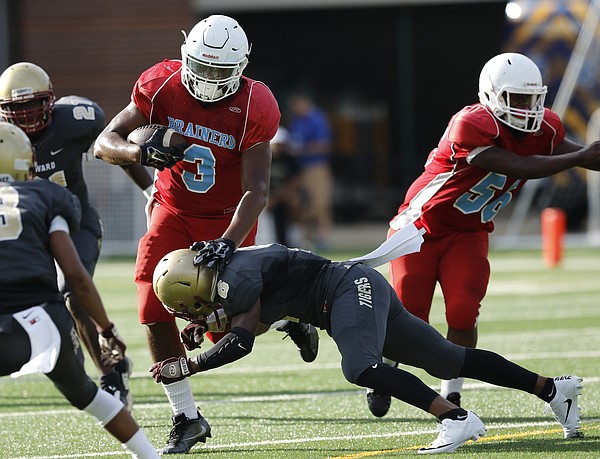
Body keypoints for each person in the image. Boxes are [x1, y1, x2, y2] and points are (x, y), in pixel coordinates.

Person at [93, 14, 318, 454]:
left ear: (242, 67)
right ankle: (186, 416)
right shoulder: (161, 84)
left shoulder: (256, 104)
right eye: (204, 67)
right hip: (173, 209)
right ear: (185, 57)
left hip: (228, 217)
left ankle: (289, 315)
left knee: (224, 328)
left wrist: (229, 240)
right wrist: (140, 151)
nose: (210, 78)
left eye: (221, 71)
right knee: (151, 302)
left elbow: (257, 189)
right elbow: (105, 142)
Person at [148, 244, 584, 455]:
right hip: (354, 290)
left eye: (189, 308)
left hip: (345, 292)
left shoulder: (236, 279)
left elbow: (242, 341)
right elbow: (255, 320)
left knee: (360, 367)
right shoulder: (232, 271)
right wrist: (212, 324)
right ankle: (552, 389)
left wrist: (186, 366)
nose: (193, 314)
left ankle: (456, 419)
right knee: (449, 359)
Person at [367, 52, 600, 417]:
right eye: (517, 99)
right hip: (420, 228)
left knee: (463, 312)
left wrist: (587, 155)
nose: (527, 108)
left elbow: (581, 155)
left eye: (532, 99)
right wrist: (580, 156)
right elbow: (522, 165)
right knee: (408, 320)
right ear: (491, 96)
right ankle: (385, 368)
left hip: (470, 231)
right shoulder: (471, 124)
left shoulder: (545, 128)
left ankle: (453, 392)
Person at [0, 62, 154, 411]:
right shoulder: (3, 139)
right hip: (26, 234)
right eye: (16, 108)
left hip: (75, 221)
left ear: (51, 102)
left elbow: (114, 146)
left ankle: (111, 375)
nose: (25, 116)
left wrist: (149, 190)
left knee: (72, 293)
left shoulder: (75, 120)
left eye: (32, 105)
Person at [288, 92, 333, 250]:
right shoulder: (296, 121)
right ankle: (307, 238)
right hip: (301, 168)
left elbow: (323, 145)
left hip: (316, 167)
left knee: (320, 202)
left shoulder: (316, 118)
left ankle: (323, 237)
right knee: (304, 203)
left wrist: (302, 149)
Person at [260, 126, 304, 247]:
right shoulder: (264, 159)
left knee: (294, 202)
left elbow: (296, 181)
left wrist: (278, 197)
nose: (277, 148)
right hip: (268, 195)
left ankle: (297, 238)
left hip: (284, 195)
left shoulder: (290, 159)